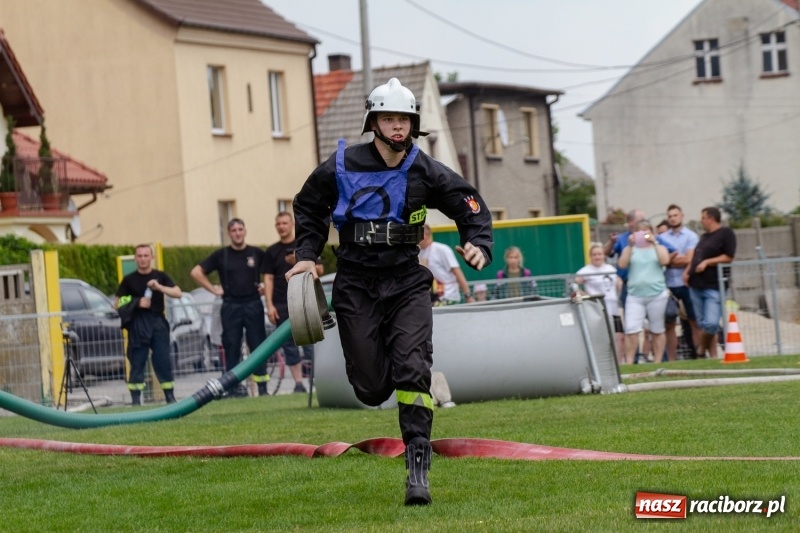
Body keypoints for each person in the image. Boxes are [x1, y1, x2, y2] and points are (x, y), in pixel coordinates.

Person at [286, 78, 493, 506]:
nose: (398, 126)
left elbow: (468, 202)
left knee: (412, 369)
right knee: (371, 388)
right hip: (355, 285)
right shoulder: (341, 164)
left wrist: (479, 241)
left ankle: (417, 464)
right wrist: (306, 253)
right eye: (389, 118)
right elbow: (307, 204)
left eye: (404, 119)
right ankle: (376, 383)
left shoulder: (424, 168)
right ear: (373, 122)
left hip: (406, 282)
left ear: (413, 124)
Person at [190, 218, 269, 397]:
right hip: (231, 305)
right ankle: (232, 388)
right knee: (231, 345)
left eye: (240, 229)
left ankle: (262, 388)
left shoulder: (256, 253)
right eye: (234, 230)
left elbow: (271, 274)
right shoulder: (221, 255)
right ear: (229, 233)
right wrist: (212, 289)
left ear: (245, 231)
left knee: (258, 344)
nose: (237, 233)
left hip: (253, 303)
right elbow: (196, 272)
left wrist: (266, 287)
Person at [263, 211, 323, 393]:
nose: (281, 227)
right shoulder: (271, 251)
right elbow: (268, 279)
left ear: (292, 224)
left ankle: (318, 381)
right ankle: (298, 384)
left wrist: (297, 259)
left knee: (311, 343)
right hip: (281, 304)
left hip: (304, 301)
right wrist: (269, 305)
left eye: (284, 223)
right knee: (289, 346)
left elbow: (318, 269)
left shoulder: (304, 246)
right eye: (278, 224)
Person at [115, 244, 182, 405]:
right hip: (138, 324)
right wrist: (136, 302)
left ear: (152, 257)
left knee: (163, 360)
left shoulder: (160, 276)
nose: (143, 259)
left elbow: (177, 293)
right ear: (135, 258)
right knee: (137, 361)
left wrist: (158, 287)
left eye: (146, 255)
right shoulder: (129, 280)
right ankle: (136, 401)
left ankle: (170, 397)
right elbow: (117, 303)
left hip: (158, 322)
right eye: (140, 256)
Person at [683, 206, 736, 359]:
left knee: (711, 324)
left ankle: (699, 351)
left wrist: (708, 262)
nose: (702, 221)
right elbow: (695, 257)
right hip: (696, 285)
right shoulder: (705, 237)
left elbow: (729, 256)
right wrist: (687, 272)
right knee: (701, 323)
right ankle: (711, 356)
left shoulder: (726, 233)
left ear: (711, 218)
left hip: (714, 286)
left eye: (703, 218)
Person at [617, 221, 671, 365]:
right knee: (631, 331)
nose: (643, 234)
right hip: (635, 295)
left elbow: (665, 260)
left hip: (657, 294)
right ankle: (629, 363)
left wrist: (654, 243)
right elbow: (622, 265)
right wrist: (630, 246)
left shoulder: (659, 247)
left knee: (657, 329)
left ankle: (658, 362)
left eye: (646, 231)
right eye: (639, 231)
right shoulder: (630, 249)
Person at [658, 204, 700, 361]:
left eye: (675, 215)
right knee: (669, 323)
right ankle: (672, 359)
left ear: (682, 216)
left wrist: (671, 260)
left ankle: (700, 355)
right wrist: (673, 260)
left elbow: (689, 258)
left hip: (687, 283)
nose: (672, 218)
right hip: (669, 284)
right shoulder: (662, 238)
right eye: (670, 216)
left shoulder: (691, 236)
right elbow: (662, 261)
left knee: (694, 320)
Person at [575, 242, 624, 363]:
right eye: (594, 254)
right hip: (596, 308)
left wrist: (619, 284)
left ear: (603, 255)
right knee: (601, 337)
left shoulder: (610, 269)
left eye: (599, 254)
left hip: (613, 307)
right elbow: (574, 284)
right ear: (590, 256)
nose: (597, 257)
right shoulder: (585, 271)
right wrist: (584, 294)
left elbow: (617, 281)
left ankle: (618, 362)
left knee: (618, 335)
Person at [418, 224, 474, 304]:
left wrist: (468, 295)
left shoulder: (441, 249)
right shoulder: (419, 253)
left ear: (426, 235)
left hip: (448, 295)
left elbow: (457, 272)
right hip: (430, 298)